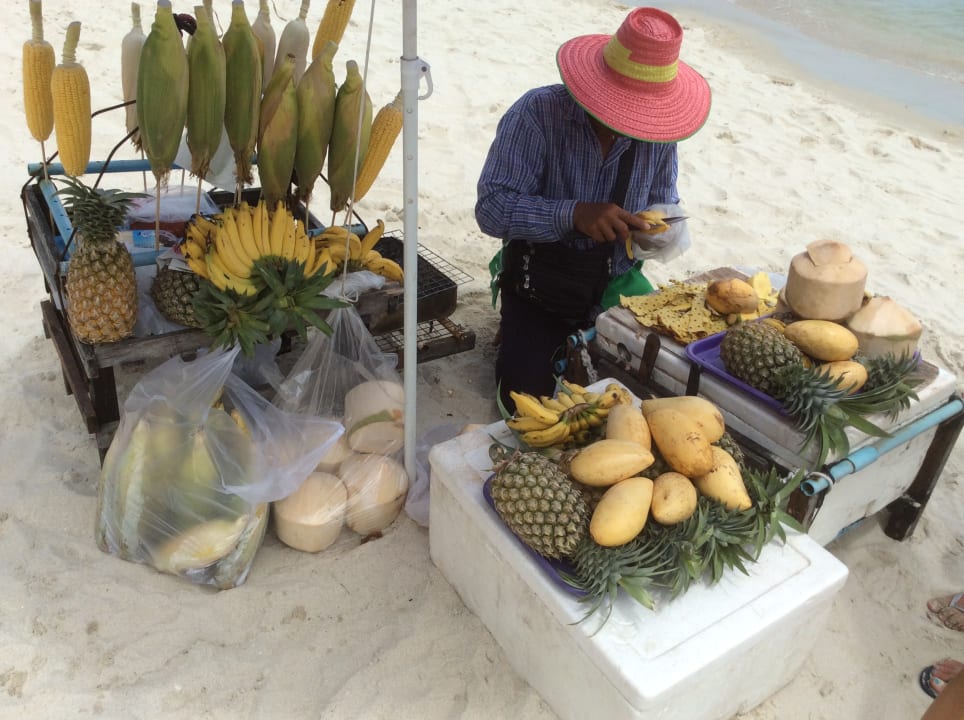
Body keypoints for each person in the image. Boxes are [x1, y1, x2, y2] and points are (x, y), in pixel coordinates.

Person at [475, 7, 711, 410]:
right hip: (539, 283)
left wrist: (660, 230)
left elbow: (662, 199)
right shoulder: (537, 114)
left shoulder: (658, 132)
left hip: (613, 282)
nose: (631, 121)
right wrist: (573, 215)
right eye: (622, 106)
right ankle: (517, 328)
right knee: (528, 401)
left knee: (660, 391)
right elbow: (492, 209)